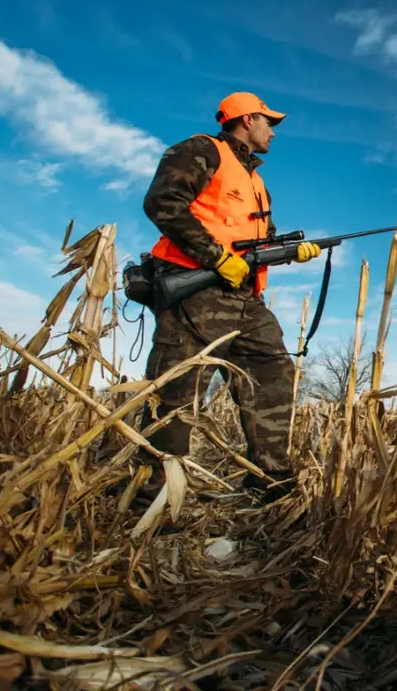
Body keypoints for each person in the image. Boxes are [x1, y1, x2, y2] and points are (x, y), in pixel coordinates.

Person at [136, 92, 320, 502]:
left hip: (244, 297)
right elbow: (163, 203)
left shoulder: (257, 182)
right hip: (195, 289)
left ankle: (270, 482)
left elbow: (256, 243)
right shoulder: (202, 150)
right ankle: (153, 499)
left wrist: (292, 252)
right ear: (247, 118)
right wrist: (215, 257)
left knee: (273, 373)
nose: (272, 131)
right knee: (177, 392)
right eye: (267, 122)